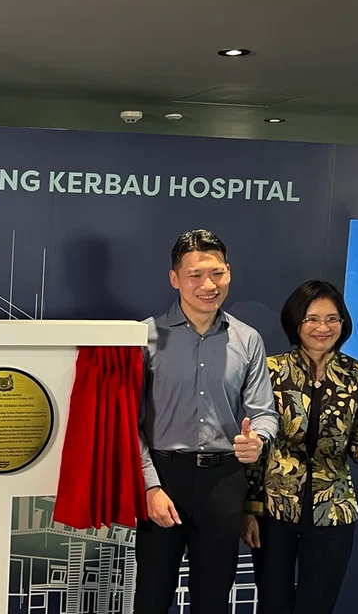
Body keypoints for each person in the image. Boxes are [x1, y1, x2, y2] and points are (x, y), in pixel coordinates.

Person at [134, 229, 279, 614]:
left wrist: (258, 439)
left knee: (213, 598)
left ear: (229, 272)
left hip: (224, 482)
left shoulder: (248, 340)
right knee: (151, 597)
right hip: (164, 478)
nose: (208, 285)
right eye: (195, 275)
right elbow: (128, 423)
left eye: (217, 273)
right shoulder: (145, 337)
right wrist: (149, 486)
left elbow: (264, 412)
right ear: (175, 278)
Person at [242, 280, 358, 613]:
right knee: (273, 603)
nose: (322, 328)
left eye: (332, 319)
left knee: (318, 605)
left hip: (334, 509)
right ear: (296, 321)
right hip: (275, 510)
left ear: (343, 323)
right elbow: (259, 447)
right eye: (312, 319)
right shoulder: (270, 370)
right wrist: (251, 509)